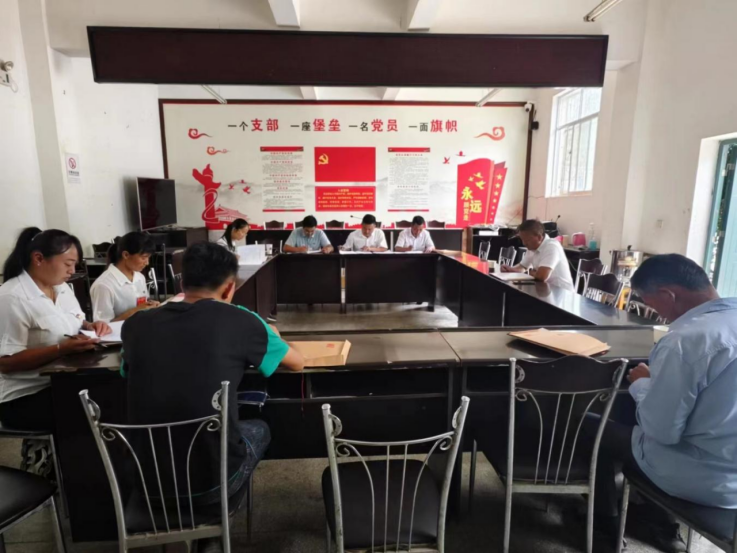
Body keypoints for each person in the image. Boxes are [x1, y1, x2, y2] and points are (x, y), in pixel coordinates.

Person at [122, 241, 304, 550]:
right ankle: (213, 524)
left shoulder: (136, 325)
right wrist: (274, 335)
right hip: (213, 483)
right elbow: (297, 363)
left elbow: (128, 371)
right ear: (230, 287)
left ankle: (206, 533)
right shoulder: (242, 320)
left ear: (182, 282)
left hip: (146, 482)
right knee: (259, 427)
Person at [585, 254, 737, 552]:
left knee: (592, 427)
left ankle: (606, 524)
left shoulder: (685, 340)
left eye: (651, 304)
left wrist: (643, 383)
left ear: (668, 295)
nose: (657, 314)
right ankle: (651, 515)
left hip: (706, 478)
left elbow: (662, 431)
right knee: (632, 416)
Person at [0, 228, 111, 431]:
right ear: (39, 258)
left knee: (117, 388)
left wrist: (90, 326)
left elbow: (75, 319)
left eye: (74, 265)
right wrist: (60, 349)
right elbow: (5, 363)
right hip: (26, 395)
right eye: (68, 264)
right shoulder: (11, 298)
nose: (72, 271)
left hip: (65, 380)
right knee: (102, 406)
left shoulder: (62, 288)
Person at [90, 232, 159, 322]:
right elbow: (103, 325)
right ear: (126, 255)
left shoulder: (139, 277)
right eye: (143, 257)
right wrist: (136, 310)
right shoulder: (103, 286)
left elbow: (143, 303)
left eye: (148, 257)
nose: (147, 263)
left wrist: (150, 305)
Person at [500, 219, 574, 291]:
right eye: (522, 239)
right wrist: (510, 269)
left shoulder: (551, 246)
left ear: (539, 237)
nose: (524, 243)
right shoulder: (532, 247)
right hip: (544, 289)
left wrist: (532, 273)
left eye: (527, 240)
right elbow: (523, 267)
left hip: (562, 293)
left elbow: (542, 276)